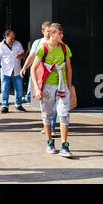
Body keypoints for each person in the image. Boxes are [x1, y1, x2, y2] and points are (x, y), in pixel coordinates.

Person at [31, 23, 73, 158]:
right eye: (60, 33)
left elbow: (69, 69)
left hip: (62, 86)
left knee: (64, 113)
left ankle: (64, 145)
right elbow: (33, 69)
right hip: (48, 86)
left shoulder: (65, 48)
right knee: (47, 114)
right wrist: (37, 88)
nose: (62, 35)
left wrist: (69, 86)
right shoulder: (43, 48)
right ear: (53, 34)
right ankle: (49, 142)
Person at [20, 21, 51, 104]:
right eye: (48, 31)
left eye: (51, 31)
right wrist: (24, 68)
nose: (50, 33)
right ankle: (29, 97)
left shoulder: (57, 43)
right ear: (43, 31)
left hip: (52, 73)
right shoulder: (37, 43)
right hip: (39, 72)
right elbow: (31, 56)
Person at [0, 30, 26, 113]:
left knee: (19, 89)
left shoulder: (18, 43)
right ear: (6, 37)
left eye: (14, 38)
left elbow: (23, 54)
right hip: (5, 71)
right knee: (5, 89)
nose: (13, 40)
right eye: (11, 38)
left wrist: (21, 54)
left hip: (17, 70)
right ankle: (5, 105)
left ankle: (18, 105)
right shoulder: (0, 46)